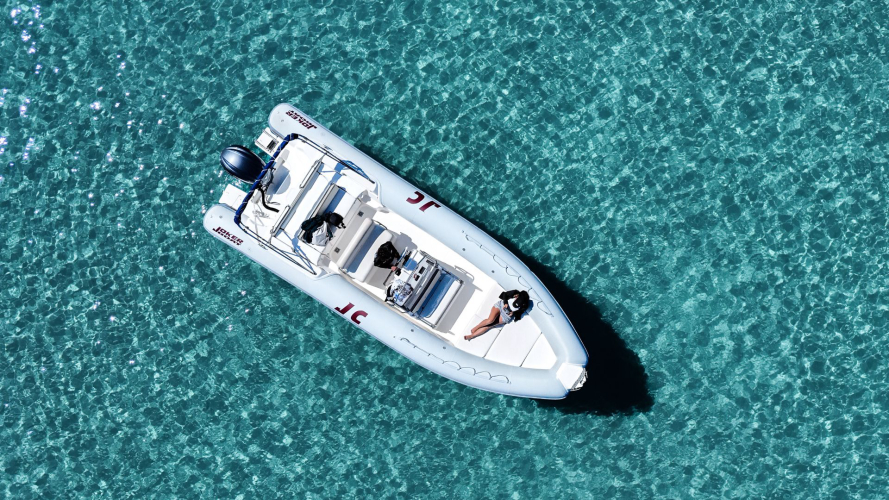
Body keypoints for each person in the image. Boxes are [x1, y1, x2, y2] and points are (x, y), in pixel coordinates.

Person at [464, 290, 530, 341]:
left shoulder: (524, 305)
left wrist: (513, 313)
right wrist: (506, 303)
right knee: (490, 320)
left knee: (490, 325)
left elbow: (519, 312)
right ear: (517, 296)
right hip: (501, 305)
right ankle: (476, 327)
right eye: (516, 299)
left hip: (506, 314)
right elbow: (505, 294)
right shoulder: (515, 292)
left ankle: (472, 336)